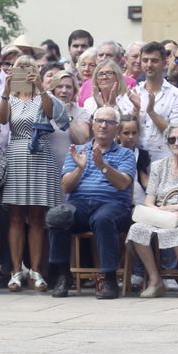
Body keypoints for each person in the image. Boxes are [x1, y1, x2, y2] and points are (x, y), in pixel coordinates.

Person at [49, 106, 136, 299]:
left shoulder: (125, 154)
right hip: (80, 204)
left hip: (114, 204)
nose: (104, 125)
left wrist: (103, 166)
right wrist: (80, 169)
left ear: (117, 128)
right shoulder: (78, 151)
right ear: (92, 124)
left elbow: (123, 184)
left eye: (110, 122)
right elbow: (66, 187)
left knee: (103, 218)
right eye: (99, 121)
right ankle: (63, 275)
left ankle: (109, 279)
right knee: (57, 216)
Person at [0, 57, 68, 291]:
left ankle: (37, 270)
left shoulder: (42, 96)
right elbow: (1, 119)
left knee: (38, 217)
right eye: (21, 70)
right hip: (17, 151)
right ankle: (16, 270)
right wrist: (6, 91)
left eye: (29, 69)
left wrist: (41, 86)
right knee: (16, 216)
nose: (25, 74)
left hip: (40, 153)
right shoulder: (12, 98)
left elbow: (49, 114)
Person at [127, 119, 178, 298]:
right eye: (172, 140)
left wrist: (175, 208)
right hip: (162, 215)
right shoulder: (158, 166)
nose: (177, 143)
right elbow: (149, 201)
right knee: (136, 229)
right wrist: (164, 211)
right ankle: (155, 280)